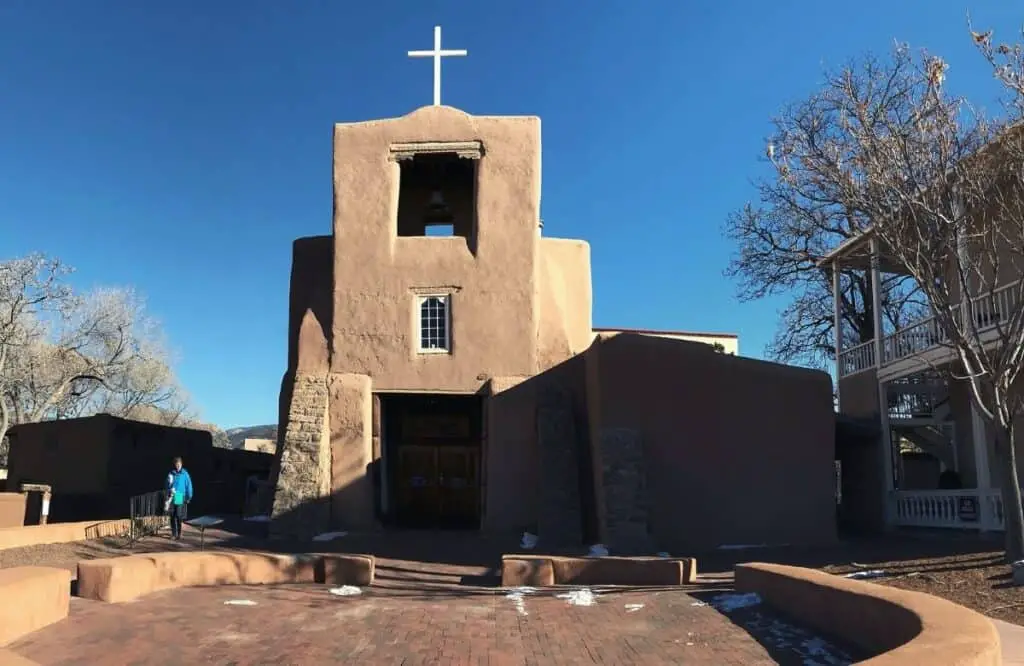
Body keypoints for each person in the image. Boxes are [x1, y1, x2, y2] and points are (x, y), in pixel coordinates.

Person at [165, 456, 193, 540]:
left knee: (178, 515)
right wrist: (169, 488)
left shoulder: (185, 474)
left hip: (179, 495)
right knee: (172, 515)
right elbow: (166, 485)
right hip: (172, 495)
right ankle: (174, 534)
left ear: (181, 464)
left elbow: (189, 485)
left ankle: (179, 533)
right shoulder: (171, 474)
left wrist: (189, 496)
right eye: (176, 464)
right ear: (174, 464)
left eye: (179, 464)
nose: (178, 465)